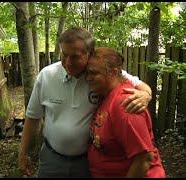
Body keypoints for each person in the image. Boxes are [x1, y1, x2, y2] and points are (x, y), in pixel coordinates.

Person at [18, 27, 153, 178]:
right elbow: (32, 117)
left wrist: (146, 94)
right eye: (64, 54)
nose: (68, 62)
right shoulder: (47, 76)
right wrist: (22, 153)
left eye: (75, 57)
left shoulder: (100, 75)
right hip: (51, 159)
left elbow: (138, 84)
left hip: (86, 162)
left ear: (89, 54)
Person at [86, 47, 165, 178]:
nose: (88, 78)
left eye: (94, 73)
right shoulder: (106, 94)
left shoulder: (125, 104)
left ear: (113, 72)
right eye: (87, 73)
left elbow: (144, 159)